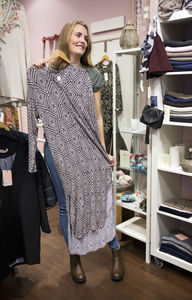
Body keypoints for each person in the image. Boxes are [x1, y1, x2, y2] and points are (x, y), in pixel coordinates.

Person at [28, 20, 124, 283]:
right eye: (77, 34)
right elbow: (37, 100)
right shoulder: (48, 72)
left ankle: (115, 251)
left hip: (88, 149)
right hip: (59, 151)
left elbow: (98, 118)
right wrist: (39, 66)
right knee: (67, 206)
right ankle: (75, 257)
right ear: (67, 37)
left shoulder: (92, 75)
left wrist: (104, 152)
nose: (82, 39)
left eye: (86, 36)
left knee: (100, 201)